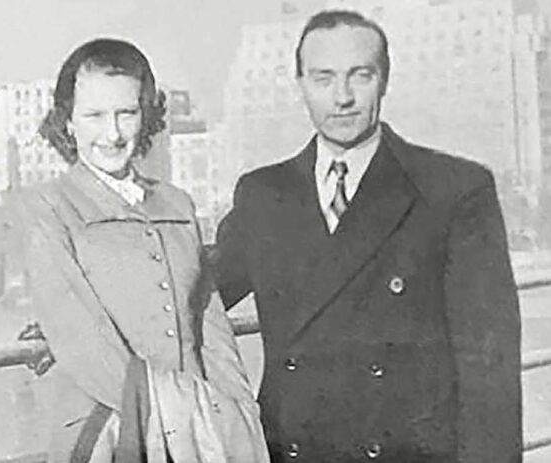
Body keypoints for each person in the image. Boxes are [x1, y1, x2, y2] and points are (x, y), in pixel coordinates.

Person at [214, 9, 522, 463]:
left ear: (384, 79)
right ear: (300, 84)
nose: (342, 98)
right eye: (323, 78)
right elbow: (189, 292)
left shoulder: (452, 190)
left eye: (360, 76)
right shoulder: (263, 195)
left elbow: (489, 370)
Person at [12, 38, 268, 463]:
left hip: (197, 435)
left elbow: (211, 327)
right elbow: (81, 335)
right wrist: (176, 417)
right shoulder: (45, 207)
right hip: (107, 433)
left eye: (126, 113)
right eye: (93, 116)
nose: (111, 134)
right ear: (68, 122)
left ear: (145, 115)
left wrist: (240, 419)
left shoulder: (177, 203)